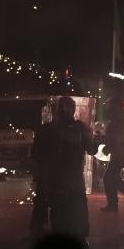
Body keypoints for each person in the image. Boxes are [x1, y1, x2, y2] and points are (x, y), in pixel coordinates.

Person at [31, 97, 95, 240]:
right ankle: (77, 233)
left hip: (57, 175)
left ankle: (45, 232)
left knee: (57, 206)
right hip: (69, 175)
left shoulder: (49, 128)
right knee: (73, 205)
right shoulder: (78, 128)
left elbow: (36, 153)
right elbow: (91, 148)